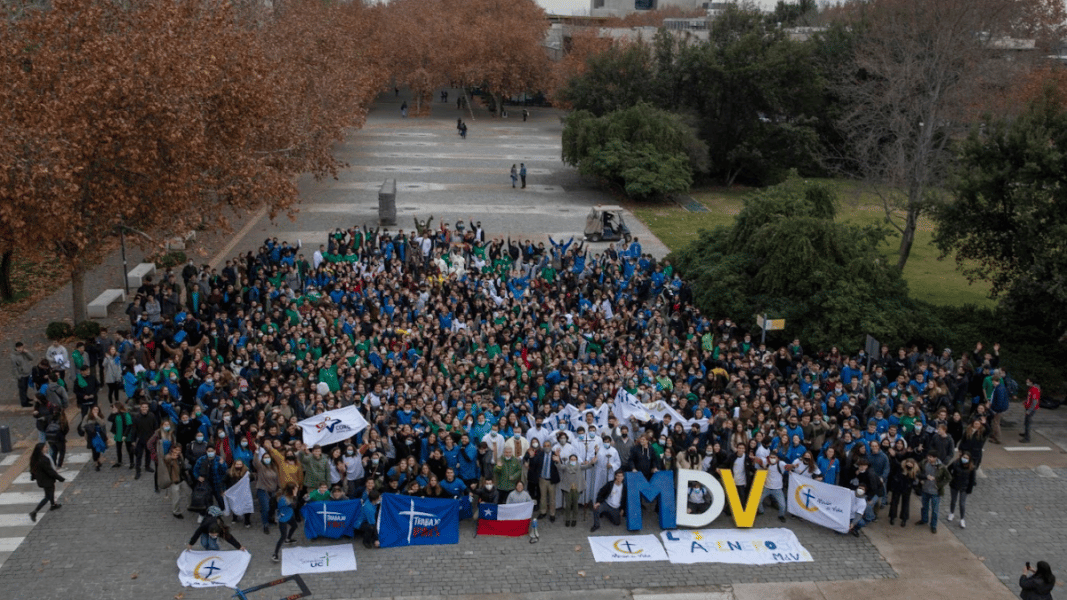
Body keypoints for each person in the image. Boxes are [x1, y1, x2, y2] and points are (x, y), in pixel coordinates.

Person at [28, 442, 64, 522]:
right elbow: (50, 471)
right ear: (41, 450)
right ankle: (34, 512)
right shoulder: (43, 459)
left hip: (42, 479)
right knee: (47, 496)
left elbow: (32, 469)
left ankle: (53, 504)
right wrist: (60, 478)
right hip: (47, 480)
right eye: (45, 448)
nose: (47, 449)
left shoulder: (35, 458)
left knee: (51, 491)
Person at [915, 451, 950, 534]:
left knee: (935, 510)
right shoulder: (924, 463)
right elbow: (917, 471)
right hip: (925, 490)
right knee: (924, 506)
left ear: (935, 458)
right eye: (928, 456)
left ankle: (933, 526)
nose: (929, 458)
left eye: (931, 457)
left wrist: (939, 485)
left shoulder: (941, 467)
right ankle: (924, 520)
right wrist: (921, 480)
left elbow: (948, 478)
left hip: (935, 492)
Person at [559, 452, 592, 527]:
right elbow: (559, 466)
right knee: (567, 505)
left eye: (574, 459)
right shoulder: (566, 466)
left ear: (576, 460)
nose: (573, 460)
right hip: (568, 488)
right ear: (569, 460)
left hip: (576, 489)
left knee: (575, 505)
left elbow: (588, 466)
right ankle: (567, 519)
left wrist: (592, 462)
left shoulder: (580, 466)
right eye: (571, 459)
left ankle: (574, 519)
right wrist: (557, 460)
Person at [946, 451, 977, 529]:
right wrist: (951, 477)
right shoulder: (956, 463)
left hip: (964, 487)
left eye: (966, 458)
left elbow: (972, 480)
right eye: (964, 457)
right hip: (954, 485)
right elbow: (948, 469)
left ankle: (962, 519)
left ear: (969, 459)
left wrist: (969, 489)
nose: (964, 459)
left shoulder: (972, 467)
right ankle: (951, 513)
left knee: (962, 503)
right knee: (953, 500)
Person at [160, 444, 189, 519]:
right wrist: (171, 458)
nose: (177, 452)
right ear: (172, 450)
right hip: (174, 481)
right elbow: (166, 460)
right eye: (175, 450)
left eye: (179, 450)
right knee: (176, 498)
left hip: (182, 479)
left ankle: (190, 506)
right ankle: (176, 512)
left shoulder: (180, 456)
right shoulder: (169, 457)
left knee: (189, 492)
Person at [271, 483, 298, 562]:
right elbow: (294, 505)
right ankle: (275, 554)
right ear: (292, 490)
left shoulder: (289, 496)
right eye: (295, 489)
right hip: (283, 518)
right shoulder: (284, 499)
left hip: (289, 515)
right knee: (283, 536)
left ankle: (288, 539)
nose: (297, 490)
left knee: (294, 526)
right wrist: (295, 495)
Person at [11, 341, 35, 407]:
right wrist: (18, 376)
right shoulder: (14, 356)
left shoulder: (24, 353)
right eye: (18, 348)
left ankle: (26, 398)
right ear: (16, 348)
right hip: (21, 375)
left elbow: (32, 358)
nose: (20, 349)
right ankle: (24, 403)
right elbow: (14, 368)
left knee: (25, 388)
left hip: (27, 373)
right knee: (22, 389)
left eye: (21, 347)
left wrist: (27, 352)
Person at [1021, 378, 1040, 443]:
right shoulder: (1031, 388)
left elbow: (1034, 401)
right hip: (1029, 407)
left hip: (1031, 409)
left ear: (1031, 382)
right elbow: (1029, 398)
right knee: (1026, 422)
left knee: (1028, 423)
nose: (1027, 382)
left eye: (1028, 381)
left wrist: (1029, 410)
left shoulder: (1034, 389)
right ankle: (1026, 433)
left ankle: (1027, 438)